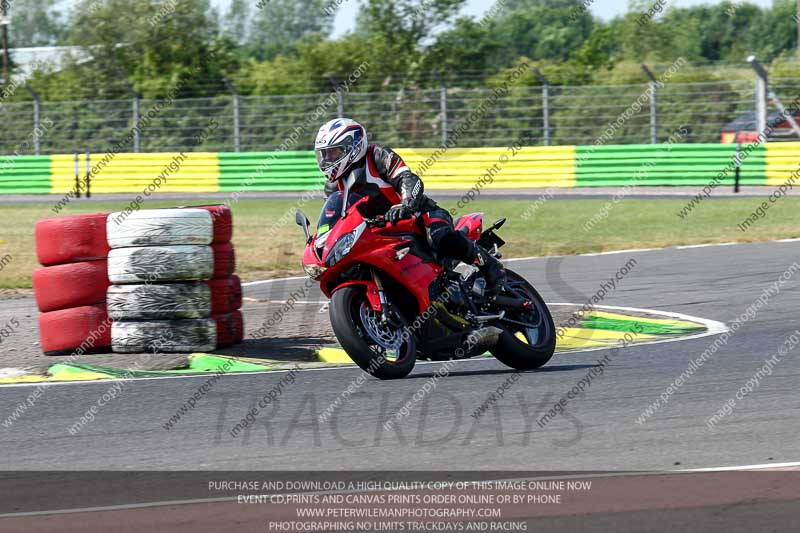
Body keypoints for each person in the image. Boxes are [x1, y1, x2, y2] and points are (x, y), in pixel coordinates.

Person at [314, 117, 505, 294]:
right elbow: (335, 217)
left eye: (333, 152)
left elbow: (408, 179)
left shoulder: (378, 156)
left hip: (419, 215)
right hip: (379, 232)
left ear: (352, 146)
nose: (327, 159)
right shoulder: (333, 187)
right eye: (325, 154)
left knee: (440, 237)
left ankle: (491, 268)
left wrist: (405, 205)